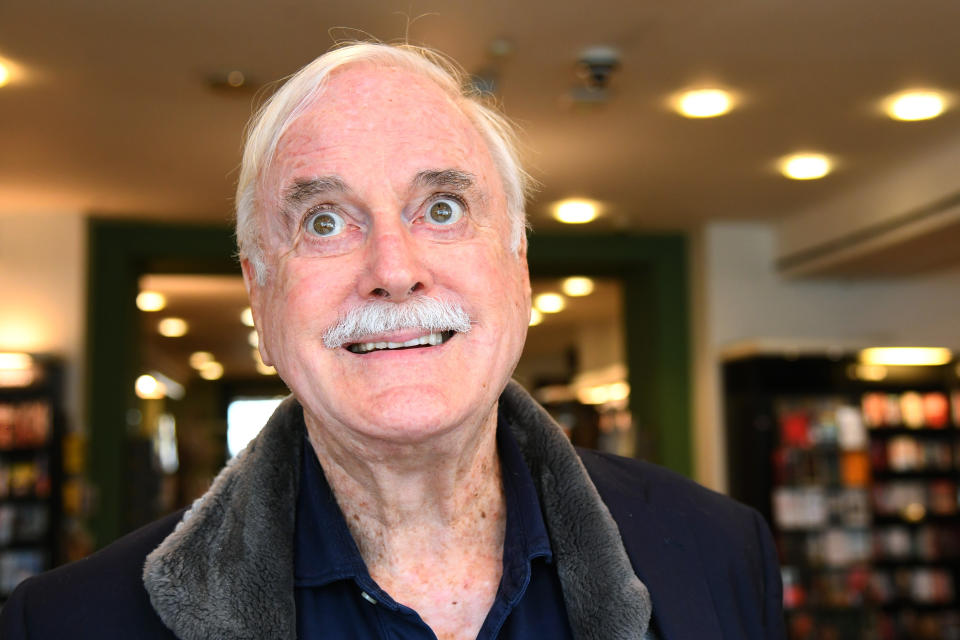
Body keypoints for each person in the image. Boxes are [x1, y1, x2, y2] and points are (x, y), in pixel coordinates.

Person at [0, 43, 785, 639]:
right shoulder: (71, 620)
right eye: (325, 221)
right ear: (260, 292)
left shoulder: (720, 555)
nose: (393, 271)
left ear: (518, 262)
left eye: (441, 208)